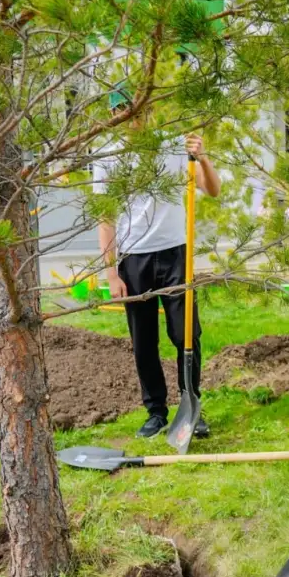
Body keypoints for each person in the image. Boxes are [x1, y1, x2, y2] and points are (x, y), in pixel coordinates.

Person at [94, 87, 221, 439]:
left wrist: (204, 158)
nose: (132, 119)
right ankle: (155, 411)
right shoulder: (107, 155)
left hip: (175, 253)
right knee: (143, 339)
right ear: (113, 115)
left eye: (137, 110)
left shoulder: (173, 145)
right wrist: (110, 271)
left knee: (185, 335)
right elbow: (105, 216)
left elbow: (212, 189)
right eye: (122, 112)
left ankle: (191, 405)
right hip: (133, 259)